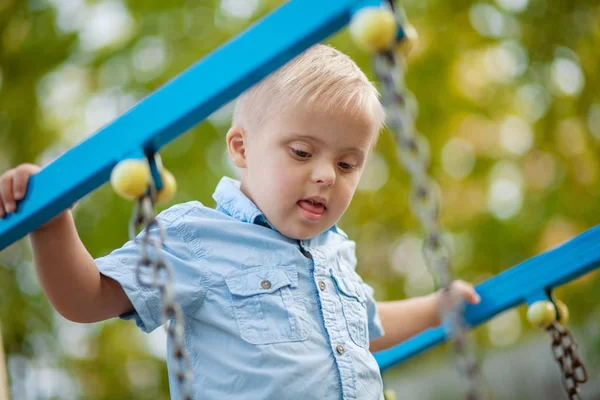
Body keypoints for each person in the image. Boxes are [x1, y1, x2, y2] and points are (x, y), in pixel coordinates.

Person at [0, 44, 480, 399]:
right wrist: (52, 223)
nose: (325, 175)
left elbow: (367, 327)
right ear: (242, 148)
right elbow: (87, 298)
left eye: (348, 164)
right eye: (302, 152)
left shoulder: (335, 254)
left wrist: (436, 307)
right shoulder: (198, 238)